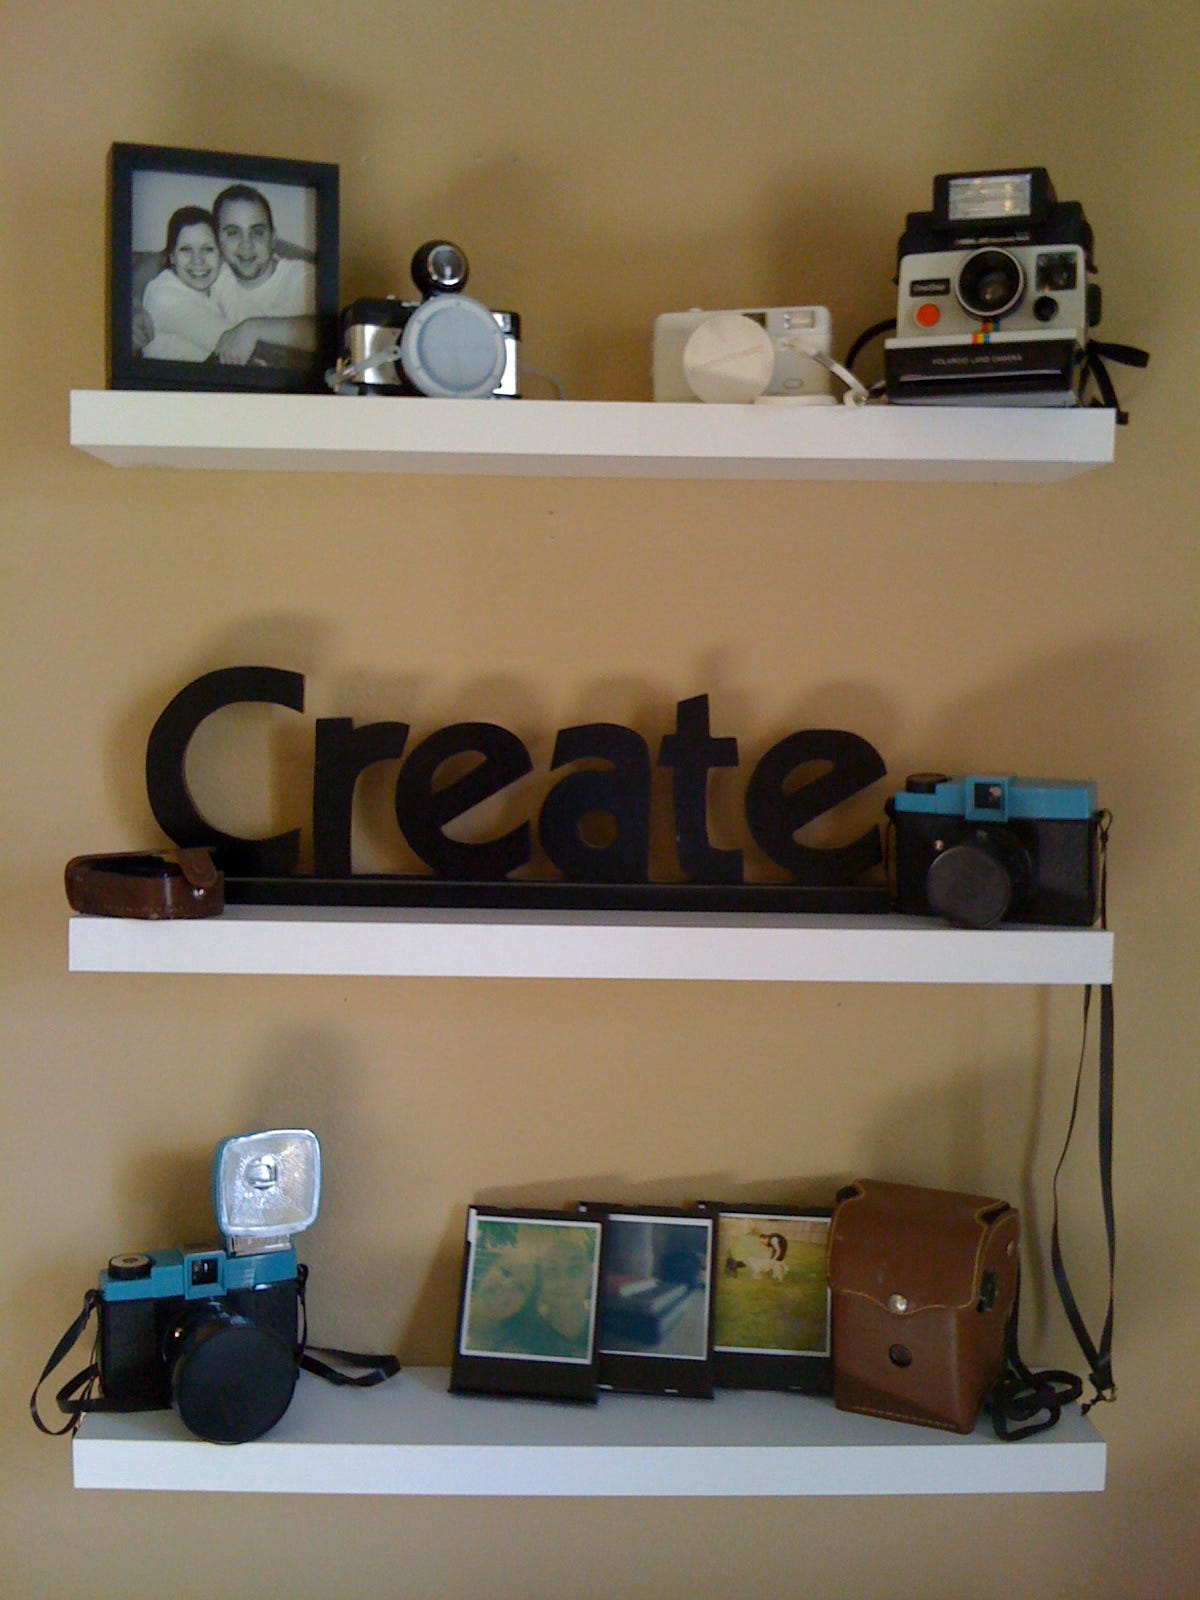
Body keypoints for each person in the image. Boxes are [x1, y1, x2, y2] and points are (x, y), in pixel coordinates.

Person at [209, 184, 318, 365]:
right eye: (233, 233)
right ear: (217, 239)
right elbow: (161, 259)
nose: (247, 245)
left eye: (257, 232)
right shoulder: (213, 275)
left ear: (273, 237)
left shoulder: (302, 277)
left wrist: (253, 328)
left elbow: (326, 332)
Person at [140, 207, 231, 361]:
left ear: (221, 255)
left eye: (207, 249)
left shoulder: (218, 278)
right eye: (186, 250)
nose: (198, 260)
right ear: (172, 257)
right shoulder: (164, 296)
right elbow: (234, 342)